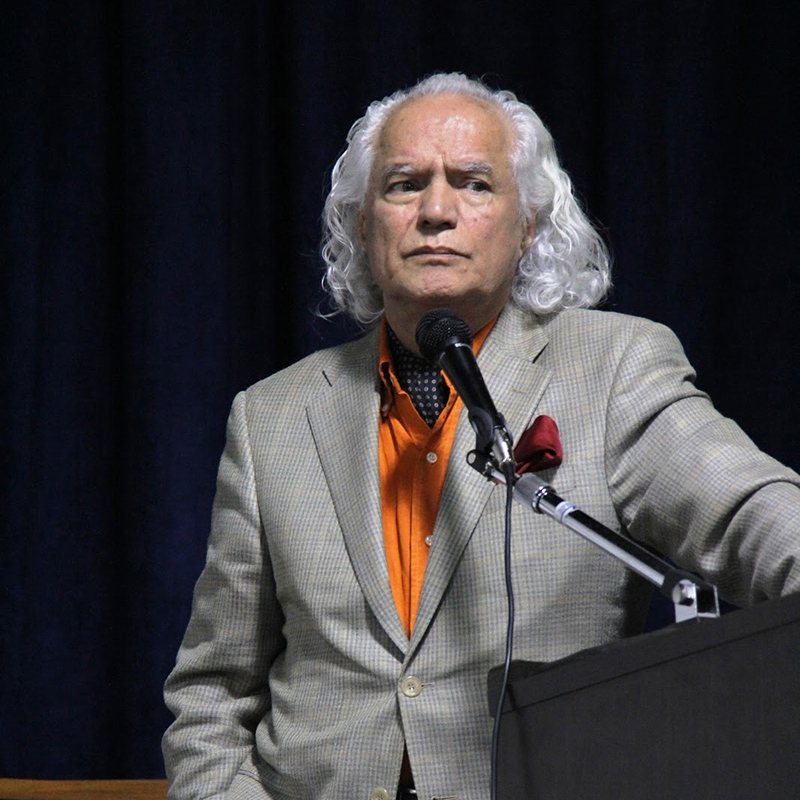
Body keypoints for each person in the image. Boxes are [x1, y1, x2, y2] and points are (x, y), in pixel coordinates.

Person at [162, 73, 800, 800]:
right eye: (404, 185)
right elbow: (212, 696)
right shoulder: (270, 416)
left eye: (473, 184)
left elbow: (765, 525)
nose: (436, 212)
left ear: (527, 224)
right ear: (363, 224)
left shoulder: (615, 371)